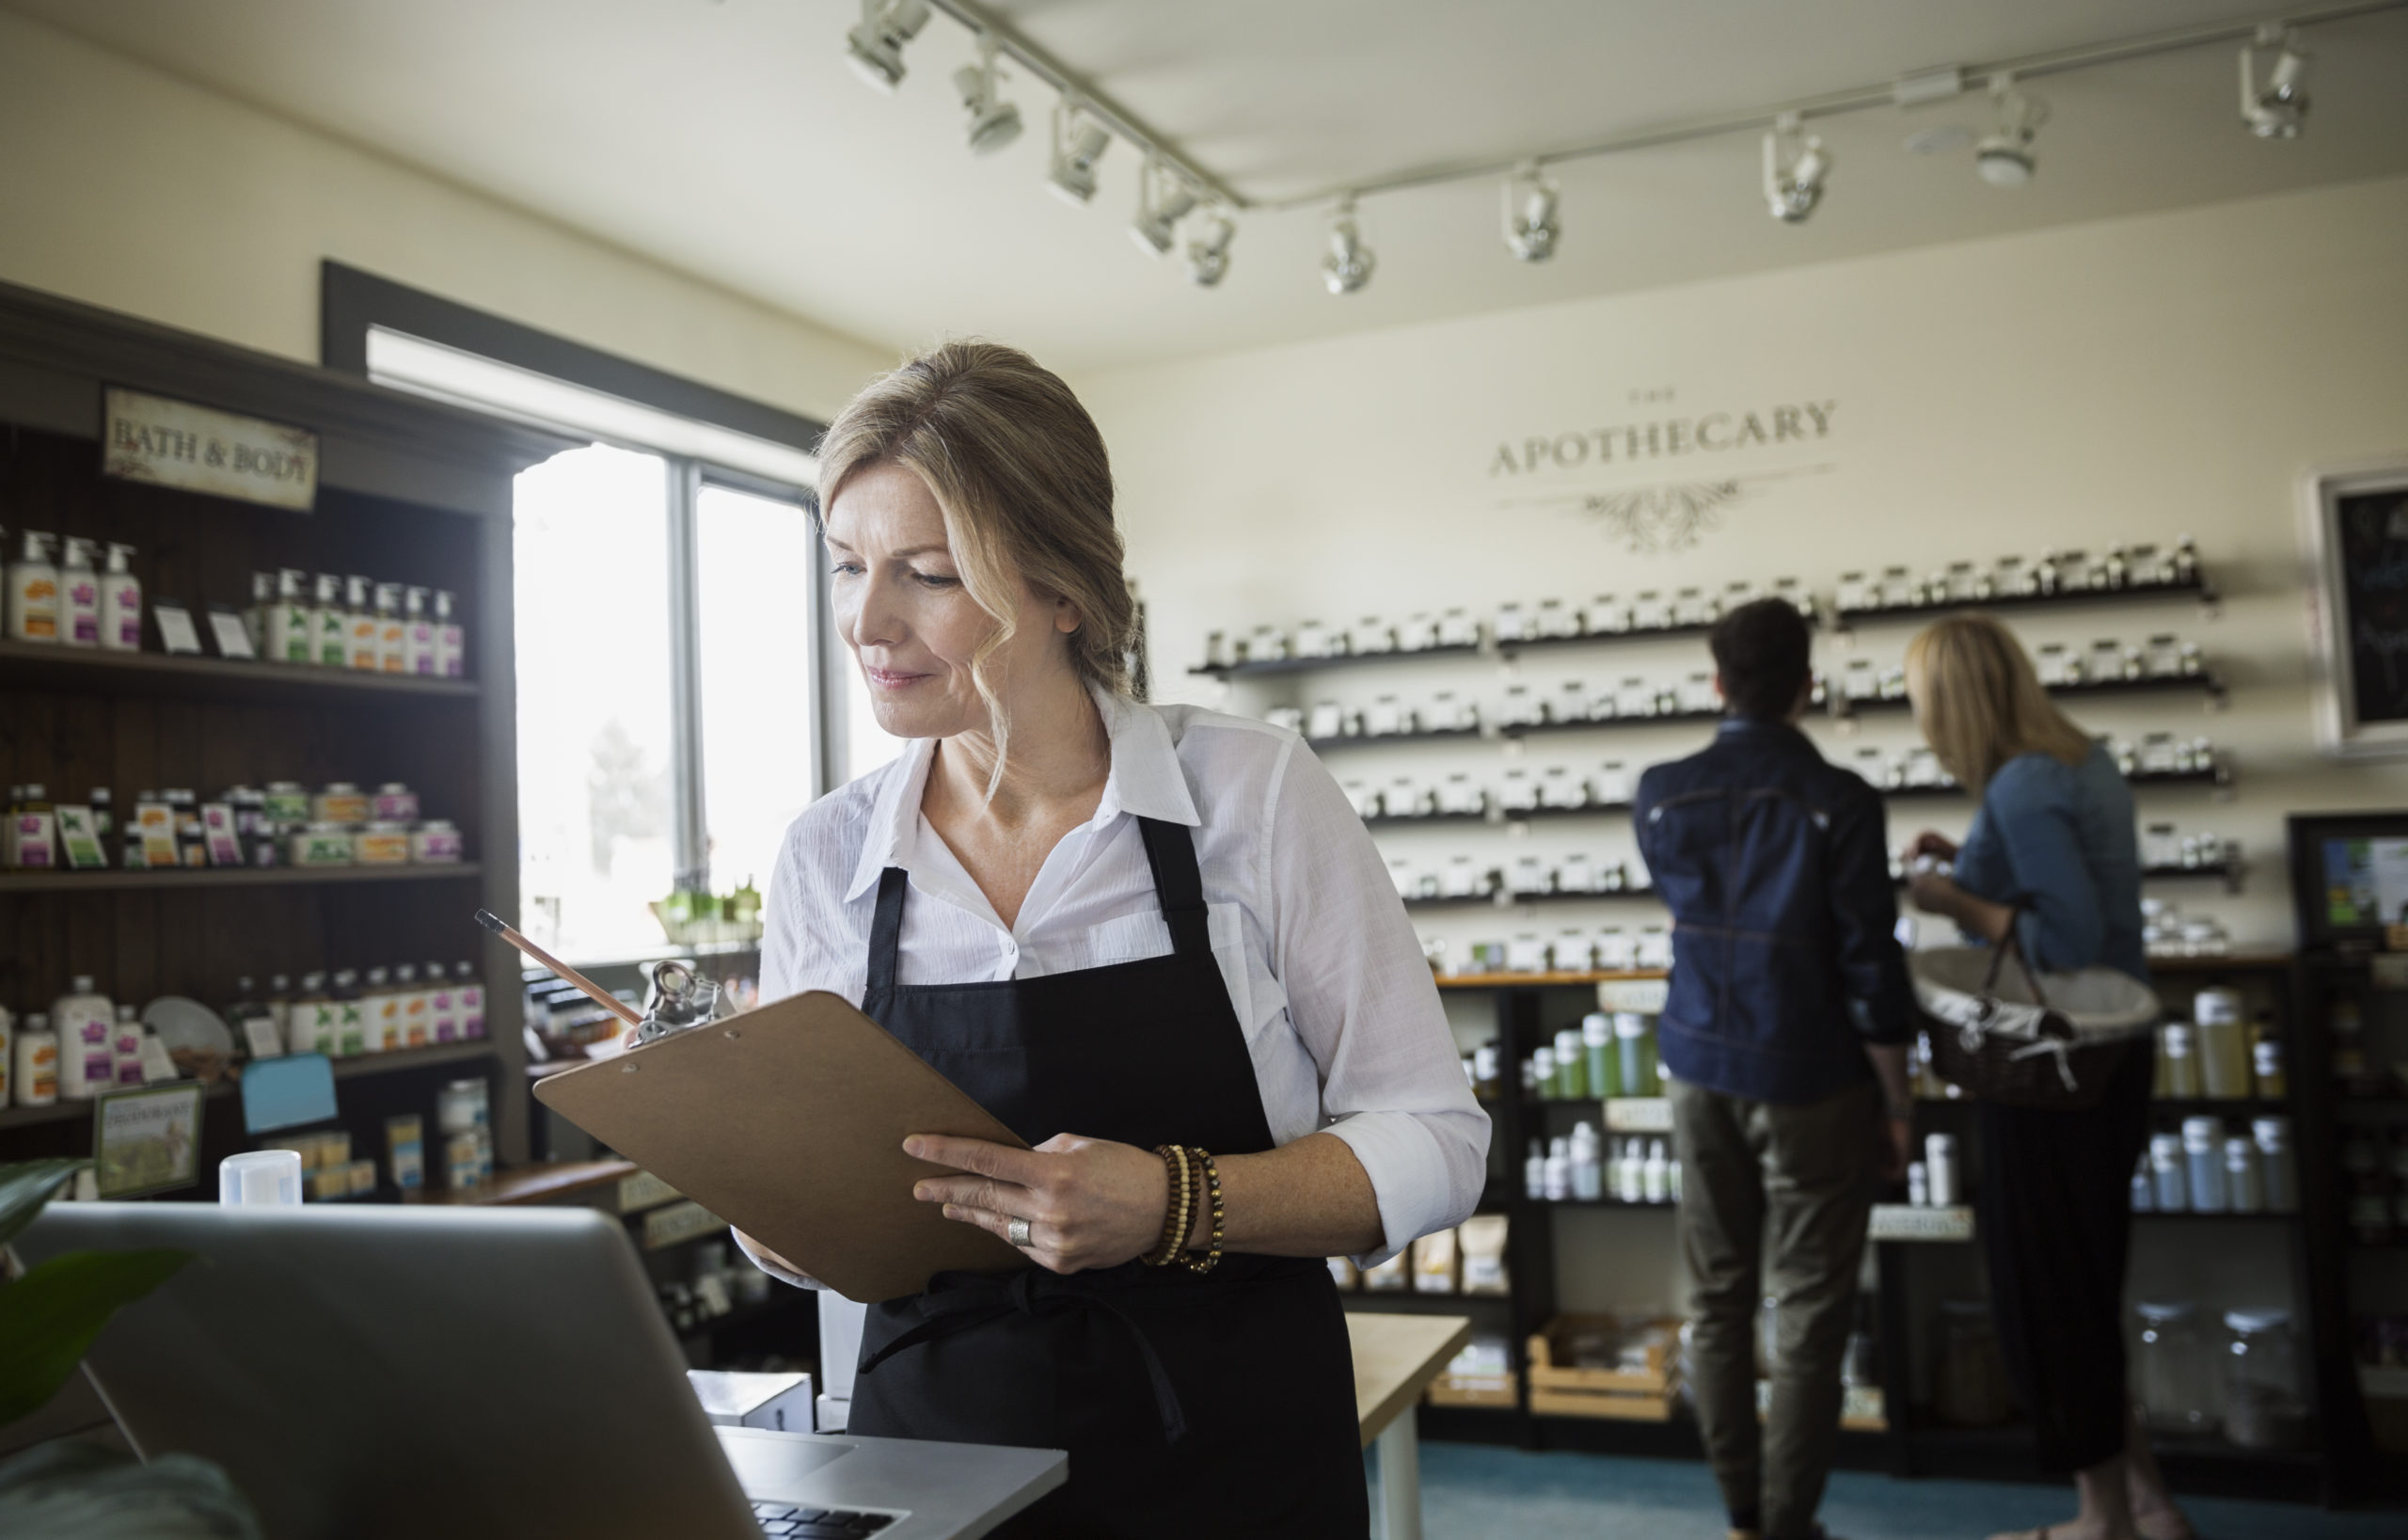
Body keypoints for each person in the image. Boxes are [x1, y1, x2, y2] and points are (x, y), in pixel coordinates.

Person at [738, 341, 1489, 1538]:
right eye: (845, 566)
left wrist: (1177, 1204)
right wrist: (774, 1213)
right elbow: (810, 1226)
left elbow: (1438, 1145)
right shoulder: (826, 857)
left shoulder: (1254, 795)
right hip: (932, 1466)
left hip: (1227, 1456)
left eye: (926, 574)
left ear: (1062, 586)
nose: (864, 621)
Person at [1900, 613, 2192, 1540]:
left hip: (2052, 1069)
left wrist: (1948, 898)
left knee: (2050, 1289)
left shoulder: (2022, 786)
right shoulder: (2079, 760)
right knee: (2083, 1280)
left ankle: (2097, 1520)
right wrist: (1972, 861)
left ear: (1953, 701)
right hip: (2107, 1055)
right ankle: (2147, 1506)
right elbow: (2068, 894)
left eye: (1921, 703)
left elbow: (2058, 941)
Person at [1634, 598, 1916, 1540]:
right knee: (1806, 1307)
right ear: (1807, 685)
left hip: (1698, 1064)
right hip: (1811, 1076)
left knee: (1715, 1297)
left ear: (1717, 683)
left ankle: (1741, 1511)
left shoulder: (1660, 792)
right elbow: (1870, 967)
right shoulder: (1841, 802)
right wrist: (1898, 1101)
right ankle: (1788, 1524)